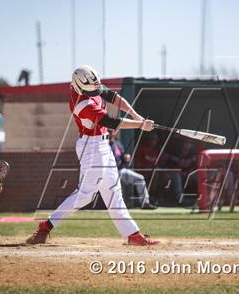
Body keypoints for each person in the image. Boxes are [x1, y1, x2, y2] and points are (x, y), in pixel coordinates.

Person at [26, 65, 159, 245]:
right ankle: (46, 226)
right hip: (91, 147)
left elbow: (112, 97)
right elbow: (111, 122)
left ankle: (132, 235)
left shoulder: (90, 84)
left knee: (113, 192)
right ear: (78, 86)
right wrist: (140, 125)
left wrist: (137, 117)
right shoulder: (82, 104)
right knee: (86, 195)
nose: (97, 92)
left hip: (103, 145)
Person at [108, 129, 156, 209]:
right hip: (111, 171)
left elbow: (121, 156)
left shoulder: (117, 143)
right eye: (109, 131)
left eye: (112, 131)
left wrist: (125, 158)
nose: (111, 133)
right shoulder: (106, 143)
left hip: (121, 170)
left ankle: (145, 203)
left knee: (140, 179)